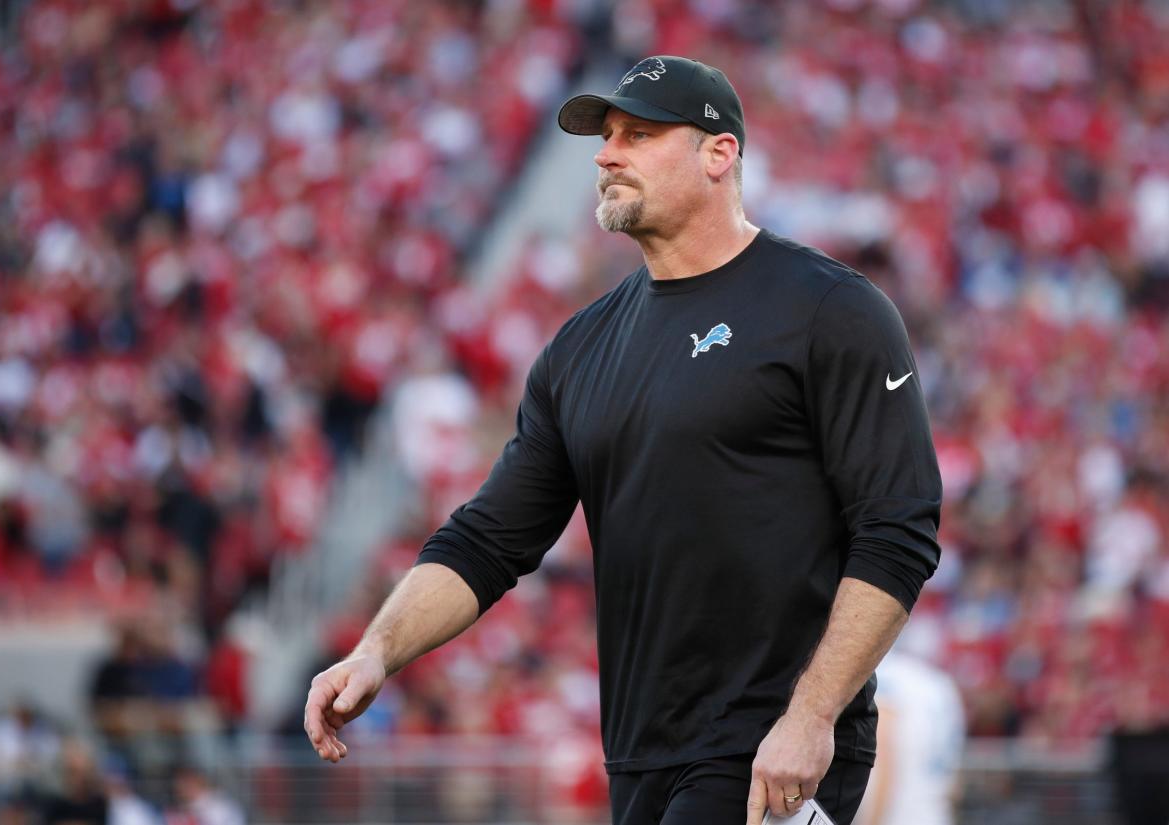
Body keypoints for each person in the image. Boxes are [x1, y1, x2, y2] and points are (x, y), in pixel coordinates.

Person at [303, 55, 942, 825]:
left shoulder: (828, 308)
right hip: (638, 753)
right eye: (605, 137)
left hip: (768, 751)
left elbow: (897, 528)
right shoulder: (578, 349)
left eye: (637, 134)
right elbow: (487, 540)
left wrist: (811, 715)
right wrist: (377, 648)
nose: (605, 154)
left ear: (718, 153)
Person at [852, 647, 966, 825]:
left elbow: (882, 761)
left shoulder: (884, 675)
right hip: (936, 815)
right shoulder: (940, 683)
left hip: (896, 816)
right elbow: (954, 784)